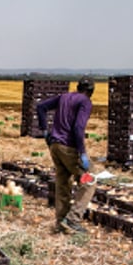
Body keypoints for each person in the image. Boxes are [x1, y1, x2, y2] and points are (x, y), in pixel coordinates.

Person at [36, 76, 96, 234]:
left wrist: (45, 131)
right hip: (69, 147)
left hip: (55, 146)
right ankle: (72, 219)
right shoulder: (85, 102)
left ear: (78, 87)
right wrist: (82, 152)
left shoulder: (64, 97)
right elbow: (78, 128)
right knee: (89, 180)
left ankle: (61, 222)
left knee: (63, 183)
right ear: (91, 92)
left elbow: (41, 107)